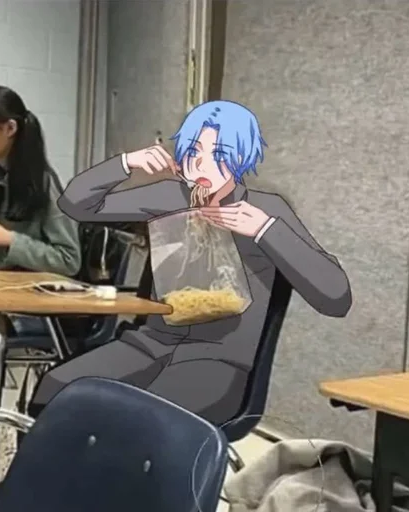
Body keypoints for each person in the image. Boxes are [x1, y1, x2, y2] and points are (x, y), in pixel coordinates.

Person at [30, 100, 352, 425]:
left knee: (139, 416)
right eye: (194, 151)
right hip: (149, 344)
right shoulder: (169, 197)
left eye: (219, 154)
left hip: (218, 360)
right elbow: (74, 204)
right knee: (55, 386)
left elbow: (336, 297)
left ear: (241, 157)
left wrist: (265, 230)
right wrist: (127, 163)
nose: (202, 165)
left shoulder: (265, 209)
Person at [0, 85, 81, 335]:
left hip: (25, 307)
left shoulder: (43, 185)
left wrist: (8, 239)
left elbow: (69, 260)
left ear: (10, 129)